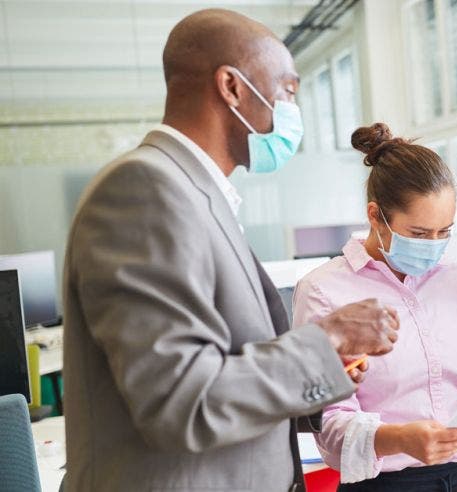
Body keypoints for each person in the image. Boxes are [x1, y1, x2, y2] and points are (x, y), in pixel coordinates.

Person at [61, 10, 399, 492]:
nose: (290, 108)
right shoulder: (144, 190)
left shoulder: (197, 195)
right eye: (287, 89)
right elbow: (181, 401)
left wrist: (326, 367)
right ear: (232, 87)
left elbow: (221, 363)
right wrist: (325, 341)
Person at [293, 123, 457, 491]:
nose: (434, 244)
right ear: (376, 216)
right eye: (420, 234)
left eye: (445, 232)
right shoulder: (324, 290)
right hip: (389, 484)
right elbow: (326, 421)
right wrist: (399, 438)